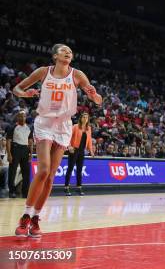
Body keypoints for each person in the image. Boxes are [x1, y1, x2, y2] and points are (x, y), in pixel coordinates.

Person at [12, 44, 102, 238]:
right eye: (64, 50)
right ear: (55, 56)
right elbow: (17, 88)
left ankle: (36, 218)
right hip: (45, 122)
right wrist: (24, 93)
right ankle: (25, 215)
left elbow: (99, 101)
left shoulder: (77, 75)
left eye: (70, 51)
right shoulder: (43, 72)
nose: (68, 52)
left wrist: (94, 95)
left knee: (51, 176)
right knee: (43, 170)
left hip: (64, 126)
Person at [64, 112, 95, 196]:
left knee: (79, 170)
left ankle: (79, 187)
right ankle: (66, 187)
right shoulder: (75, 127)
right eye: (84, 117)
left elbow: (89, 141)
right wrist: (69, 146)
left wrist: (91, 150)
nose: (85, 119)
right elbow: (68, 137)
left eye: (87, 117)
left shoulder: (89, 128)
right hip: (74, 150)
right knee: (70, 169)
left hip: (82, 151)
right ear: (81, 118)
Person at [7, 111, 33, 198]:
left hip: (25, 150)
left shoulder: (29, 128)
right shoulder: (12, 127)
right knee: (12, 171)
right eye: (20, 116)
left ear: (26, 117)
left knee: (26, 172)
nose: (22, 118)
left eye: (24, 116)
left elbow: (30, 141)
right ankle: (12, 191)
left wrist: (31, 154)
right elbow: (8, 141)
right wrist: (9, 154)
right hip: (15, 149)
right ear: (17, 117)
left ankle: (25, 192)